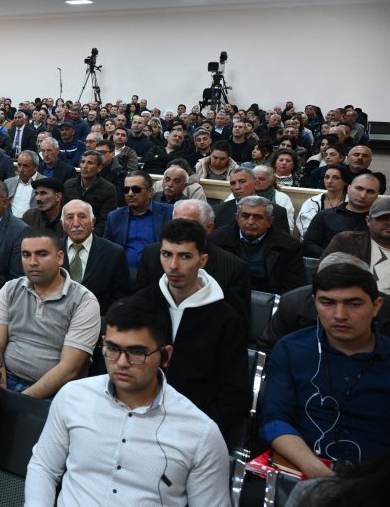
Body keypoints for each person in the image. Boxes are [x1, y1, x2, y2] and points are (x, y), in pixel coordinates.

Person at [25, 296, 230, 506]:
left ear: (165, 356)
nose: (122, 363)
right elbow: (44, 467)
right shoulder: (73, 397)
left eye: (137, 352)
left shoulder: (201, 434)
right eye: (112, 349)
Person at [260, 261, 390, 478]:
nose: (340, 315)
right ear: (315, 303)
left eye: (354, 304)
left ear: (376, 306)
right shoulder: (291, 348)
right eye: (327, 303)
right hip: (303, 468)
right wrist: (319, 473)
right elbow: (275, 420)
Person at [133, 219, 250, 437]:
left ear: (202, 260)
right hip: (136, 420)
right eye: (166, 254)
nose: (173, 265)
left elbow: (234, 395)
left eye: (185, 256)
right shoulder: (139, 305)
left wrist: (194, 432)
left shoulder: (225, 319)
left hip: (195, 429)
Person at [0, 228, 100, 398]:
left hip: (55, 392)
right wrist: (1, 387)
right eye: (26, 255)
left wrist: (18, 401)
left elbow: (69, 369)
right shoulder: (10, 289)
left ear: (60, 258)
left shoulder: (84, 301)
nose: (32, 262)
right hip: (4, 378)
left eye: (42, 254)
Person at [135, 199, 252, 328]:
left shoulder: (234, 267)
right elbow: (138, 308)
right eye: (176, 223)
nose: (173, 265)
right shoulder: (151, 253)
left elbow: (237, 326)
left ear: (209, 228)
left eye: (189, 225)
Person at [102, 170, 173, 268]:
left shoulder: (169, 213)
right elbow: (105, 249)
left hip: (158, 271)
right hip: (123, 271)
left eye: (136, 189)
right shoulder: (114, 217)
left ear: (150, 192)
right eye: (126, 190)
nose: (130, 194)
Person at [322, 197, 390, 296]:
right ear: (368, 221)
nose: (389, 223)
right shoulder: (346, 241)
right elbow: (322, 276)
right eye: (383, 218)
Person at [304, 173, 381, 257]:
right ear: (348, 188)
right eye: (359, 188)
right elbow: (308, 245)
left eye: (370, 192)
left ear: (377, 195)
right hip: (328, 263)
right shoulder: (324, 215)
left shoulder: (381, 221)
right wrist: (333, 257)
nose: (363, 195)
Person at [62, 150, 117, 235]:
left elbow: (105, 221)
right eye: (82, 162)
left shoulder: (108, 189)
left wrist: (88, 237)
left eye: (90, 163)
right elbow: (63, 215)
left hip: (95, 235)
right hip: (69, 232)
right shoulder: (68, 185)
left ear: (99, 168)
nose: (84, 166)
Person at [297, 164, 351, 237]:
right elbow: (306, 230)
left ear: (345, 181)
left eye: (335, 178)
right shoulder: (311, 202)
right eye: (326, 177)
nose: (329, 181)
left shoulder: (352, 203)